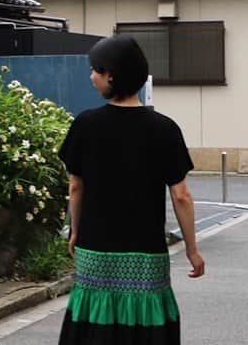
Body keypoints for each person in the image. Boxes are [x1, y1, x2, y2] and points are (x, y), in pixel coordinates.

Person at [58, 34, 204, 345]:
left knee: (94, 327)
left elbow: (75, 187)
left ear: (111, 75)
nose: (91, 76)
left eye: (95, 70)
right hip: (146, 253)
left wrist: (75, 231)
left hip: (96, 249)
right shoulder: (165, 129)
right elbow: (181, 195)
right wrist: (192, 250)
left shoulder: (85, 124)